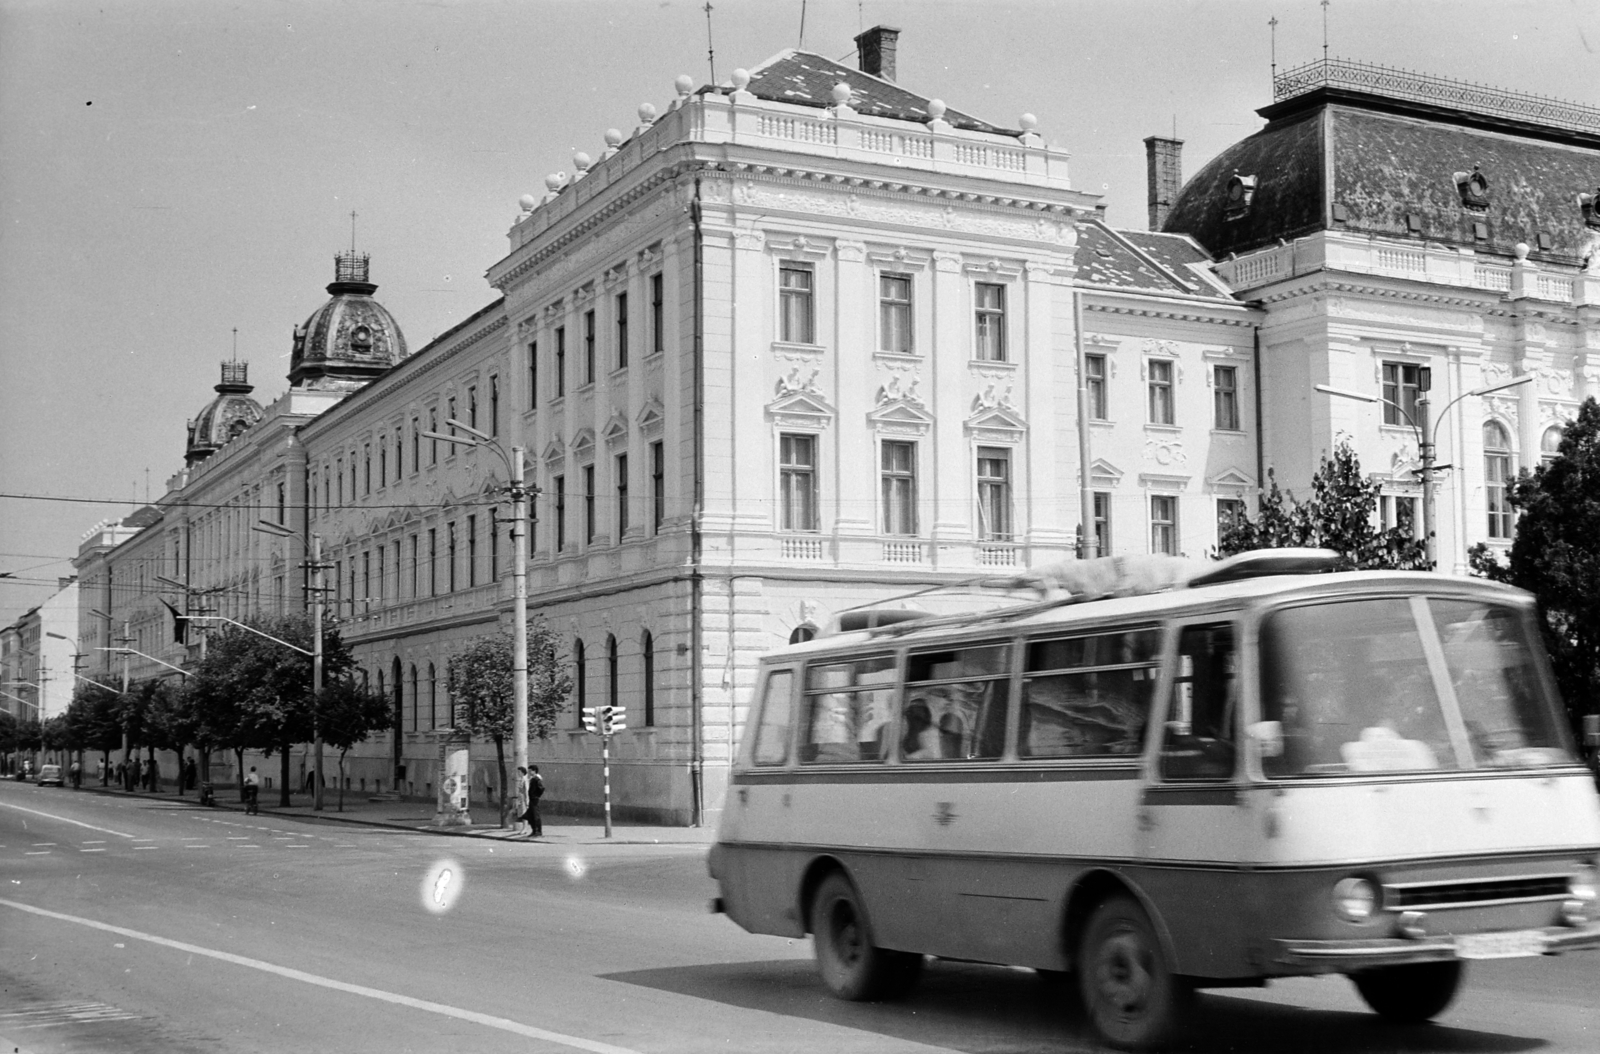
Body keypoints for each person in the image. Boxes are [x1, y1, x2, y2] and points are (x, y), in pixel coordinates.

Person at [524, 764, 545, 838]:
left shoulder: (536, 779)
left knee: (536, 816)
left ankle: (538, 831)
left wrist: (536, 796)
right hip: (532, 800)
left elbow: (541, 788)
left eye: (530, 771)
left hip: (535, 800)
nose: (529, 772)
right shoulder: (533, 779)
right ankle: (534, 830)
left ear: (534, 771)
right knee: (530, 816)